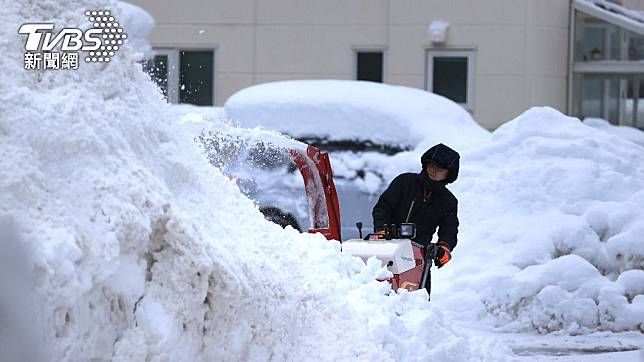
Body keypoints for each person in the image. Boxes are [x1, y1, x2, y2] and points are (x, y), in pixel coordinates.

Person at [372, 143, 460, 296]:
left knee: (416, 303)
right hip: (388, 249)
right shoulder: (404, 182)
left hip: (418, 259)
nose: (433, 170)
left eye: (439, 169)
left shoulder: (448, 201)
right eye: (431, 165)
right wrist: (381, 229)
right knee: (380, 295)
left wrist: (444, 248)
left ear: (449, 174)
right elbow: (382, 207)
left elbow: (449, 230)